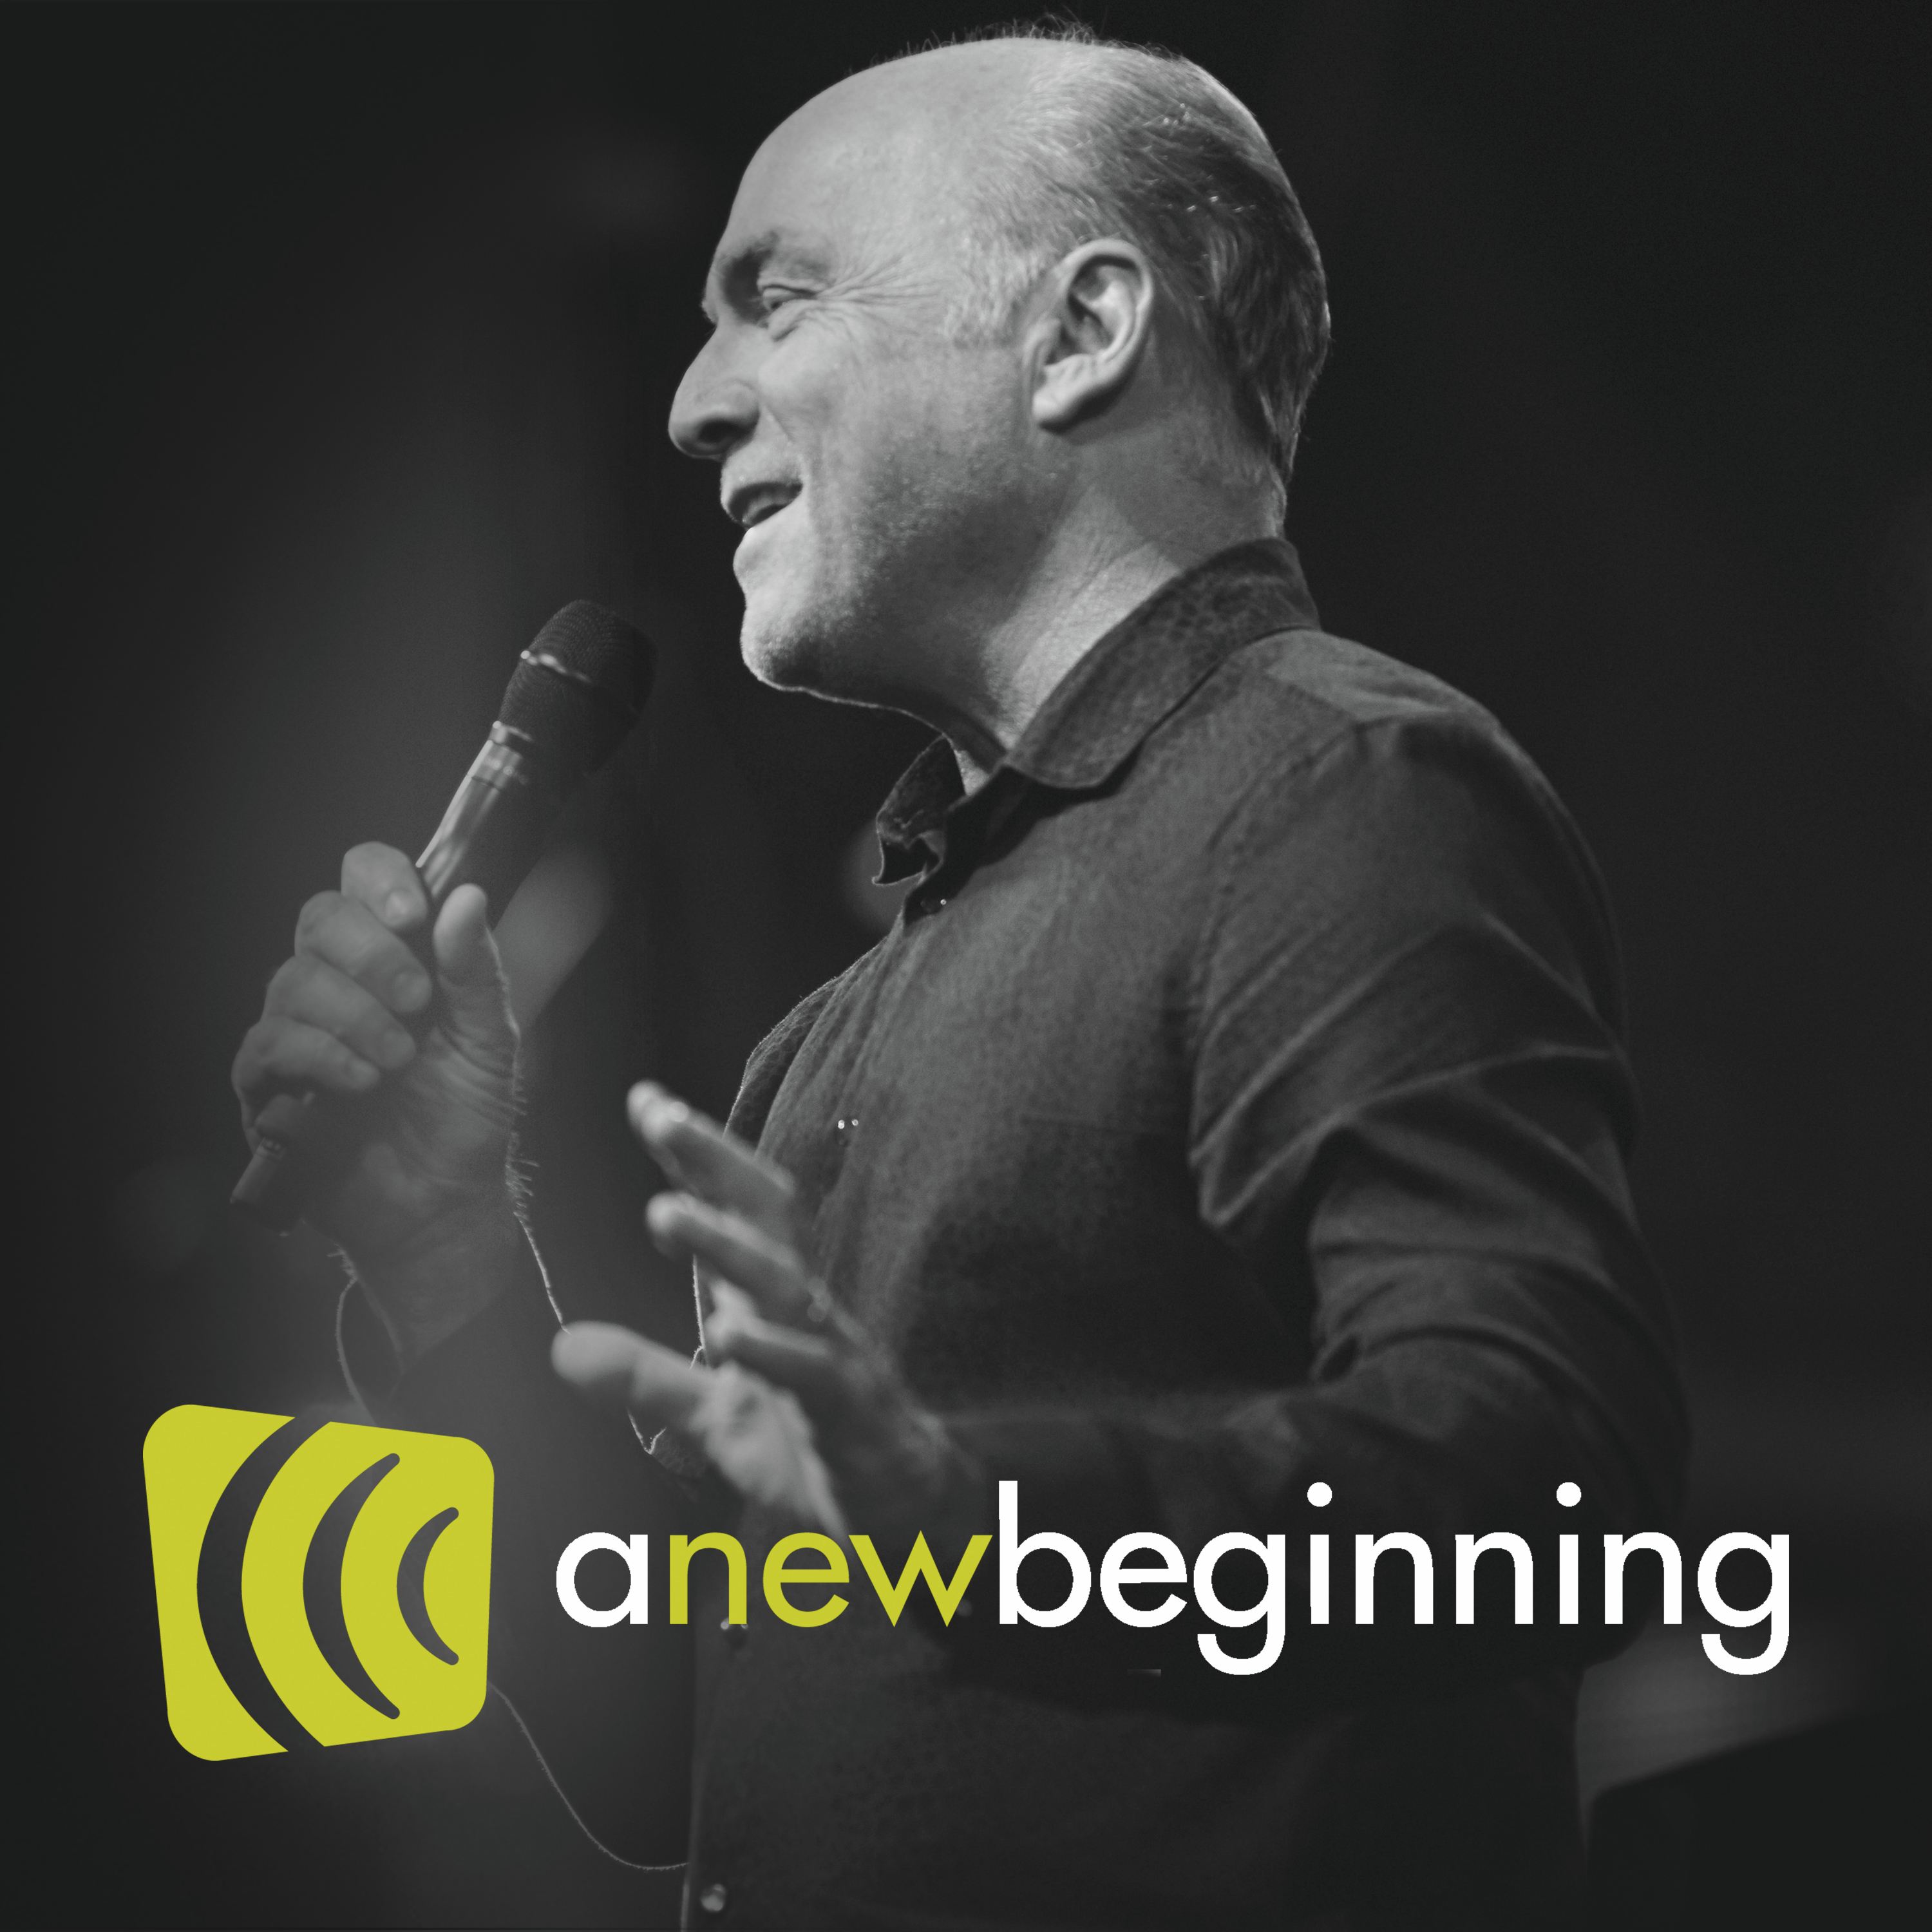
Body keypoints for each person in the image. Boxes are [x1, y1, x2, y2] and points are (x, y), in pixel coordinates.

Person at [233, 28, 1686, 1929]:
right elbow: (683, 1762)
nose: (689, 404)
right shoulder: (823, 1043)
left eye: (776, 300)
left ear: (1078, 330)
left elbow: (1549, 1510)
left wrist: (959, 1511)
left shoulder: (1336, 795)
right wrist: (443, 1265)